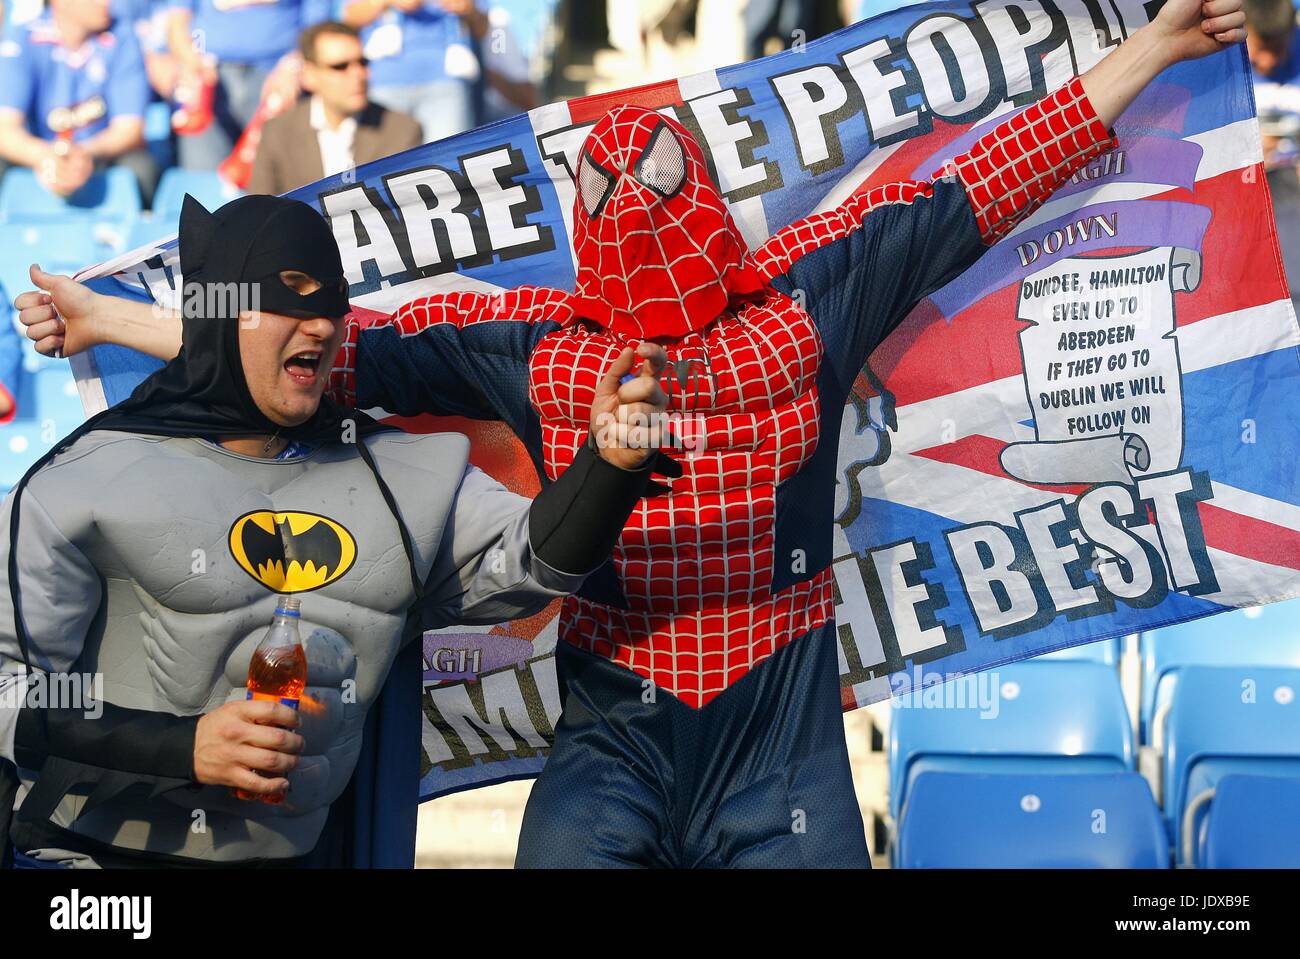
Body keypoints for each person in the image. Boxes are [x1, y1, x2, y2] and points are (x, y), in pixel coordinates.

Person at [23, 0, 1249, 868]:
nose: (644, 218)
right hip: (612, 712)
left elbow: (994, 176)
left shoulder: (805, 292)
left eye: (662, 192)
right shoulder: (540, 341)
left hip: (777, 721)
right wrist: (108, 315)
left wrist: (1148, 46)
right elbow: (293, 343)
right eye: (619, 204)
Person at [0, 192, 674, 868]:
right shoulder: (82, 479)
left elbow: (533, 562)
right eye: (290, 301)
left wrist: (609, 467)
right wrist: (183, 746)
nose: (319, 326)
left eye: (330, 306)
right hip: (90, 869)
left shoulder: (400, 476)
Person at [0, 0, 155, 202]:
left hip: (100, 154)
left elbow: (130, 130)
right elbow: (5, 127)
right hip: (39, 152)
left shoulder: (123, 36)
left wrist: (85, 154)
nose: (107, 3)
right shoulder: (23, 37)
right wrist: (43, 156)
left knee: (142, 169)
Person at [249, 21, 422, 196]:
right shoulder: (278, 131)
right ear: (309, 75)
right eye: (340, 66)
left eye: (363, 63)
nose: (359, 74)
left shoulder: (402, 130)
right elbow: (259, 210)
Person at [166, 0, 332, 170]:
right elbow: (177, 22)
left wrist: (294, 65)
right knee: (202, 178)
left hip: (277, 78)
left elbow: (317, 25)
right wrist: (190, 60)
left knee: (276, 177)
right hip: (208, 80)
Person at [340, 0, 481, 143]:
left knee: (448, 157)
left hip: (445, 84)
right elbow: (349, 18)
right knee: (390, 161)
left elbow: (483, 28)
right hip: (386, 86)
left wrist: (468, 9)